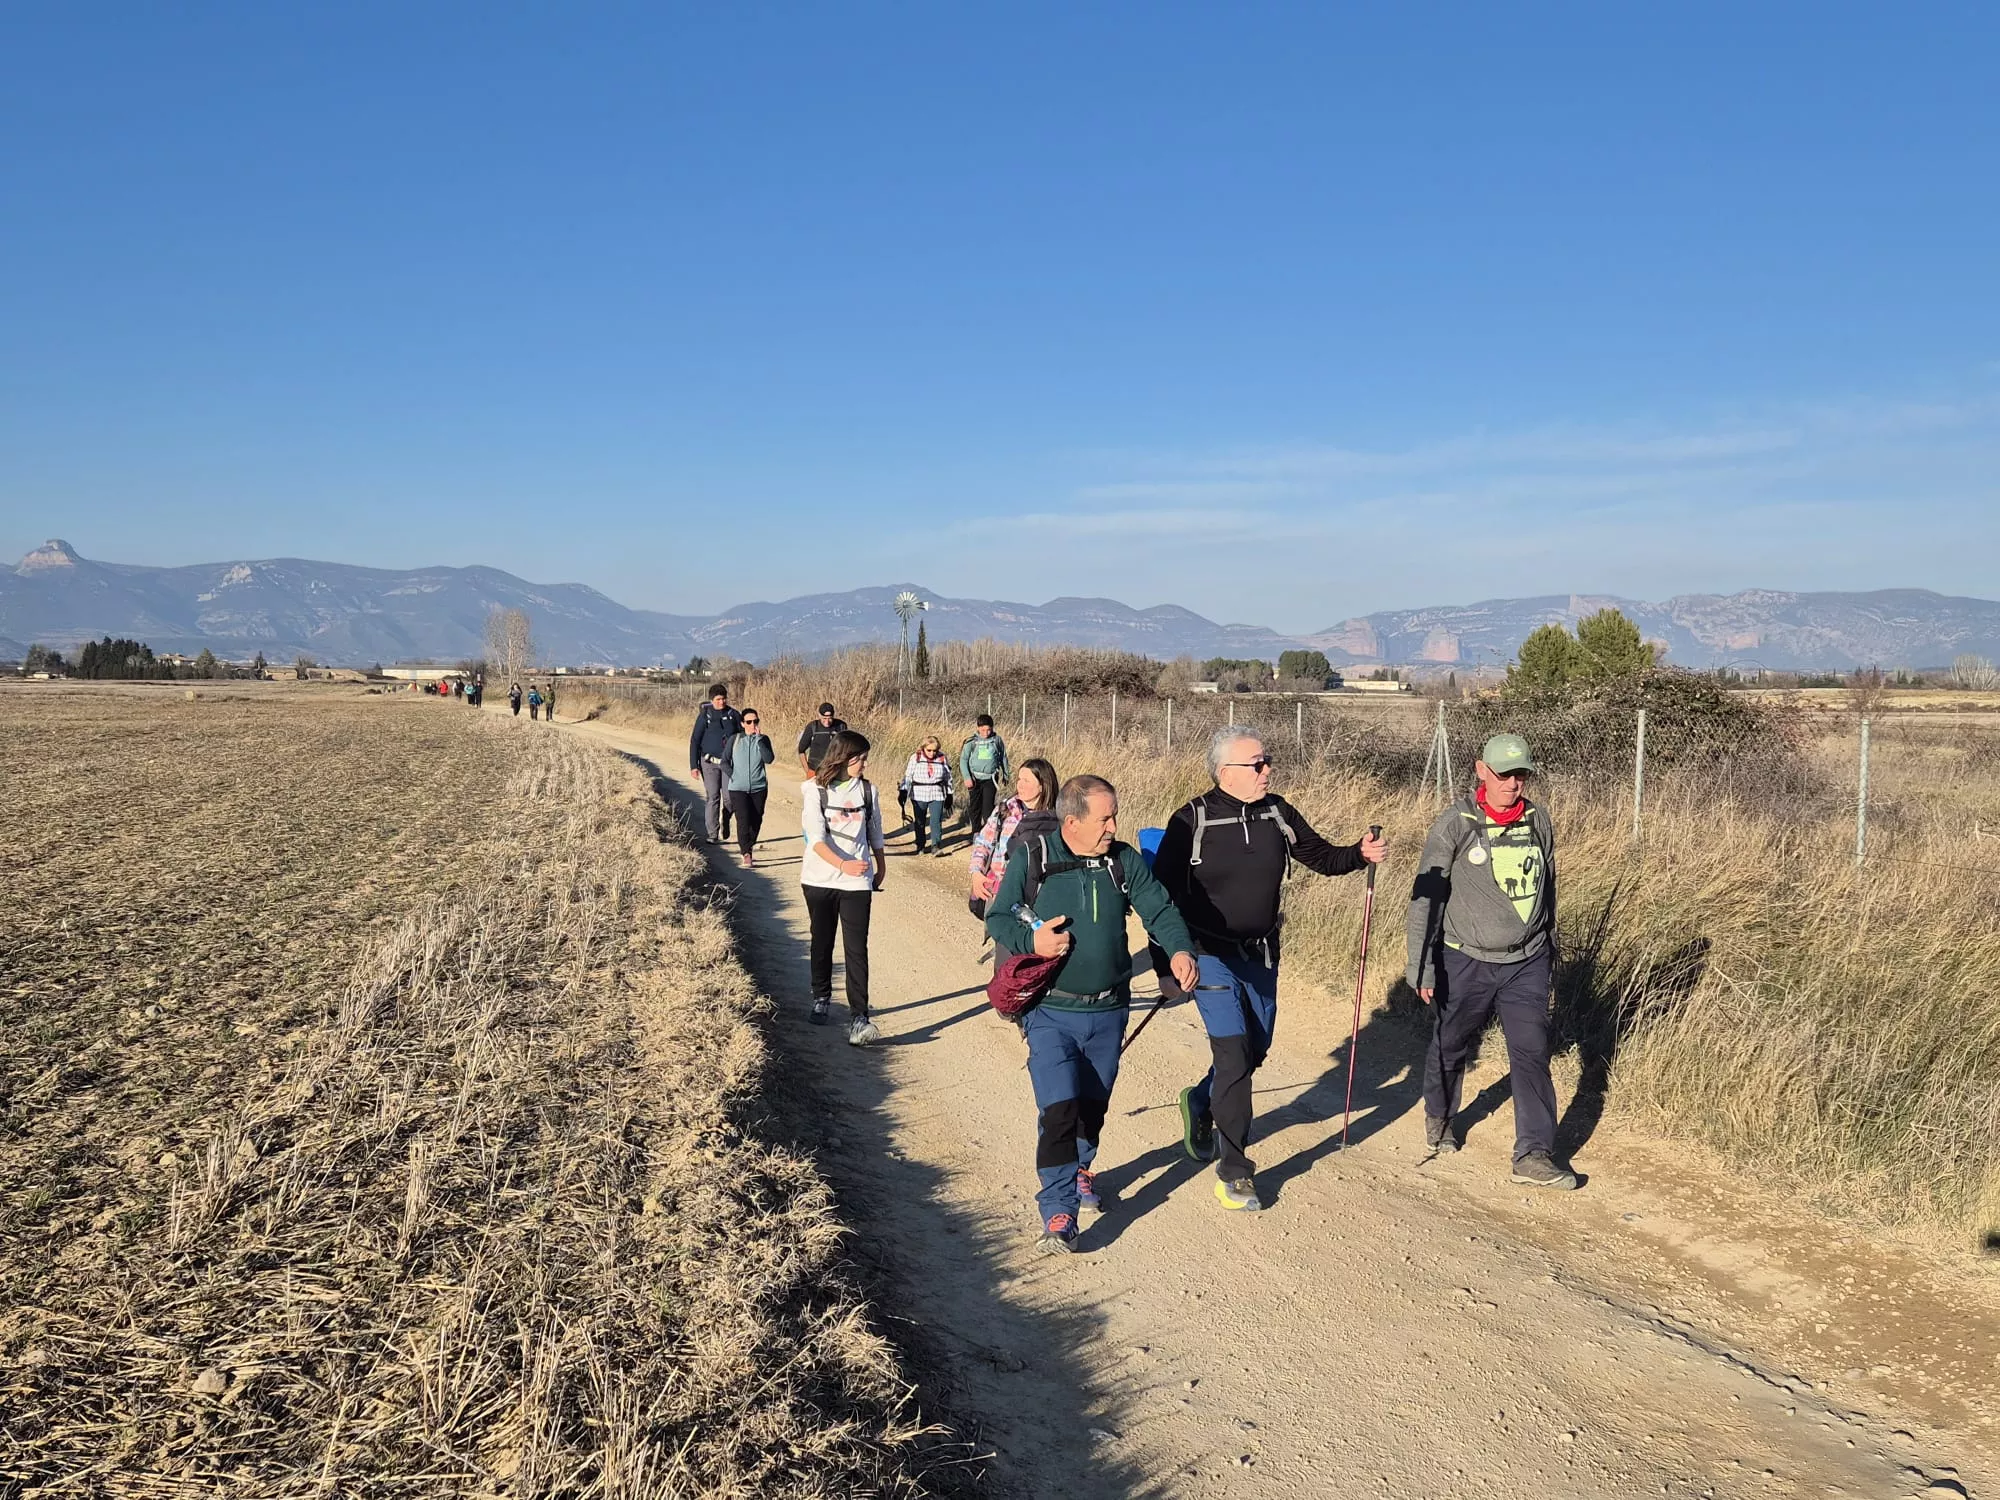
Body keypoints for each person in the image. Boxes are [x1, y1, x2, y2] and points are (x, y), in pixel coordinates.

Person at [1152, 729, 1387, 1213]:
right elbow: (1160, 901)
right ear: (1225, 772)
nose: (1267, 771)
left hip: (1260, 954)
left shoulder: (1277, 812)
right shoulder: (1191, 819)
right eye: (1257, 764)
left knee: (1255, 1049)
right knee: (1234, 1055)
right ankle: (1235, 1171)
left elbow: (1320, 856)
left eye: (1267, 761)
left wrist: (1358, 854)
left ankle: (1200, 1101)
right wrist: (1165, 966)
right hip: (1208, 955)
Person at [985, 775, 1200, 1254]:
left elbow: (1159, 911)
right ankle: (1058, 1210)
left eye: (1114, 816)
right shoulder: (1034, 856)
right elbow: (998, 917)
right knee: (1059, 1108)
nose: (1113, 826)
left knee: (1092, 1104)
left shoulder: (1123, 860)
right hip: (1050, 1009)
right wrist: (1032, 940)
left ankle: (1081, 1167)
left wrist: (1180, 951)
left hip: (1109, 1009)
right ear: (1072, 822)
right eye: (1104, 819)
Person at [1406, 732, 1574, 1190]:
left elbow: (1548, 887)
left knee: (1531, 1050)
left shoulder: (1538, 820)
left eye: (1521, 775)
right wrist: (1420, 964)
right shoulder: (1456, 823)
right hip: (1464, 959)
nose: (1513, 784)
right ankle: (1440, 1116)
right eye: (1503, 774)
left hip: (1527, 960)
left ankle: (1533, 1154)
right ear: (1482, 770)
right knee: (1451, 1041)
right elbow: (1426, 898)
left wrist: (1549, 948)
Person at [800, 730, 887, 1044]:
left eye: (865, 758)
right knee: (822, 940)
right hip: (819, 879)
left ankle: (860, 1018)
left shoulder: (868, 791)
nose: (864, 764)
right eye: (859, 758)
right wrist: (842, 865)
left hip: (857, 881)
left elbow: (875, 830)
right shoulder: (815, 790)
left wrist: (880, 864)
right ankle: (821, 997)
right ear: (843, 757)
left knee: (856, 949)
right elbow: (816, 840)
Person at [967, 757, 1060, 920]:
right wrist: (976, 872)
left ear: (1043, 785)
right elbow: (984, 842)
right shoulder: (1005, 810)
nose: (1020, 785)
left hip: (1038, 898)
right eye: (1019, 779)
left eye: (1026, 780)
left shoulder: (1055, 820)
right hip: (998, 892)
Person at [689, 684, 743, 843]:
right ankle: (712, 834)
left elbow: (743, 736)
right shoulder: (704, 716)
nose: (722, 702)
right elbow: (695, 740)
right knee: (713, 796)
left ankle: (725, 818)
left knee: (729, 798)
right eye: (718, 699)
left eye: (724, 698)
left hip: (729, 764)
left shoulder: (734, 715)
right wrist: (694, 766)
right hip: (708, 762)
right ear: (712, 700)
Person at [724, 708, 775, 865]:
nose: (753, 724)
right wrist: (733, 775)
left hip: (759, 787)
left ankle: (749, 845)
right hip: (738, 788)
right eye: (749, 722)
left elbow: (769, 759)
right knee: (743, 820)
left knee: (756, 820)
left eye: (755, 721)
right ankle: (746, 852)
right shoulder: (735, 740)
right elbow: (724, 761)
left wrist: (759, 739)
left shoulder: (763, 739)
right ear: (742, 724)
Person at [898, 735, 955, 856]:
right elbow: (908, 776)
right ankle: (920, 845)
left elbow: (948, 777)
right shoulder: (915, 758)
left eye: (935, 750)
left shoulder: (942, 758)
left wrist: (950, 793)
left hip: (937, 793)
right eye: (929, 750)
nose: (932, 753)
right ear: (923, 748)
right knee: (920, 821)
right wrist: (903, 791)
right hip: (919, 793)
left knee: (936, 820)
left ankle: (936, 845)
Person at [958, 714, 1010, 839]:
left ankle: (988, 832)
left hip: (991, 779)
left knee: (988, 808)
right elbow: (963, 760)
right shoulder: (971, 742)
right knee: (975, 806)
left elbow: (1003, 757)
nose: (986, 733)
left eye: (988, 730)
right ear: (977, 728)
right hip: (974, 779)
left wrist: (1006, 774)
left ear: (992, 728)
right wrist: (967, 777)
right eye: (982, 730)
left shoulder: (997, 740)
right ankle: (976, 831)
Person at [797, 702, 848, 773]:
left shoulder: (841, 726)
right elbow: (801, 750)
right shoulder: (813, 727)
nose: (827, 722)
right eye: (824, 718)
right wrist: (808, 772)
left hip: (835, 772)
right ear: (819, 715)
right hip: (815, 771)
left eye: (830, 718)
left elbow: (846, 749)